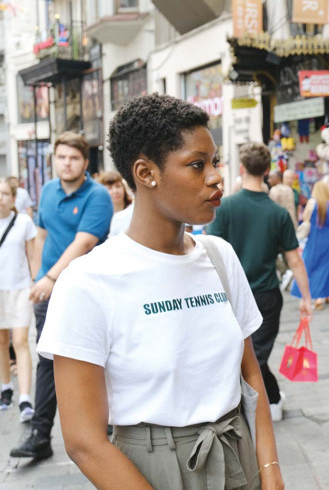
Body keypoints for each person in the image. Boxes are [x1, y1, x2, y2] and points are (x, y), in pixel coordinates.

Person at [34, 94, 284, 489]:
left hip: (237, 457)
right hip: (149, 471)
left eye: (215, 162)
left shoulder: (219, 257)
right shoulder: (87, 282)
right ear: (146, 173)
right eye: (197, 165)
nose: (216, 177)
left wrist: (269, 471)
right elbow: (84, 442)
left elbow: (249, 371)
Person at [10, 131, 113, 459]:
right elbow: (41, 236)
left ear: (85, 162)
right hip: (50, 291)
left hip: (86, 291)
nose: (66, 163)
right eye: (61, 157)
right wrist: (39, 276)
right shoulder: (49, 190)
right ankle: (40, 434)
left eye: (73, 158)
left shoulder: (97, 196)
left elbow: (84, 242)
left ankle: (109, 425)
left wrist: (52, 277)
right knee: (48, 360)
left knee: (99, 358)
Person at [208, 142, 313, 423]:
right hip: (266, 296)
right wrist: (306, 297)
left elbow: (209, 251)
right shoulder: (277, 213)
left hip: (228, 296)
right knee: (256, 355)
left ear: (242, 169)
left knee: (249, 356)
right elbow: (294, 260)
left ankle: (267, 402)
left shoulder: (225, 207)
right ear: (268, 170)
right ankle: (270, 400)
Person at [0, 177, 37, 422]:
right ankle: (6, 388)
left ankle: (25, 397)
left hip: (21, 289)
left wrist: (36, 284)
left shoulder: (23, 222)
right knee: (1, 341)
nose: (0, 198)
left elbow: (33, 256)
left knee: (21, 341)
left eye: (4, 194)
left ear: (13, 198)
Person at [290, 181, 329, 310]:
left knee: (309, 266)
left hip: (314, 237)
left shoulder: (312, 203)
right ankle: (322, 295)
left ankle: (308, 294)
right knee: (326, 267)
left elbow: (306, 219)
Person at [97, 171, 135, 237]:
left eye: (118, 186)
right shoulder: (99, 215)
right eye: (110, 188)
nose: (115, 191)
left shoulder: (134, 209)